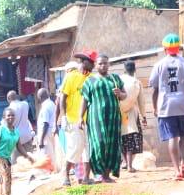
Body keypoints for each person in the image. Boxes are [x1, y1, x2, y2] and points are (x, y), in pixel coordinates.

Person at [149, 34, 184, 181]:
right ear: (179, 48)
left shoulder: (159, 65)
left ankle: (177, 171)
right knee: (183, 136)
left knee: (172, 137)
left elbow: (154, 89)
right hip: (183, 104)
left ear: (165, 49)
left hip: (166, 105)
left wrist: (154, 107)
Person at [80, 54, 127, 183]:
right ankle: (98, 173)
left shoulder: (115, 78)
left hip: (113, 118)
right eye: (100, 63)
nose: (103, 65)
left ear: (109, 64)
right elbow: (84, 100)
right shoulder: (90, 81)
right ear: (96, 65)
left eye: (105, 63)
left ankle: (107, 175)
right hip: (96, 118)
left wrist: (120, 94)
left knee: (112, 144)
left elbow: (124, 96)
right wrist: (80, 117)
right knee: (98, 143)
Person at [56, 50, 96, 186]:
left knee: (89, 149)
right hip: (72, 119)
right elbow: (62, 97)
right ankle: (65, 176)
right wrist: (63, 115)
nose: (94, 66)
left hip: (88, 120)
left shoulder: (91, 78)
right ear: (85, 62)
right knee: (74, 148)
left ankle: (86, 178)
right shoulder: (71, 76)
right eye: (92, 63)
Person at [0, 108, 30, 195]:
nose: (10, 117)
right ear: (4, 117)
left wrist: (28, 156)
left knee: (7, 178)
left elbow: (19, 146)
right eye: (8, 115)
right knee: (5, 176)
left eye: (12, 115)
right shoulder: (0, 130)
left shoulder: (16, 131)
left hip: (7, 158)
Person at [119, 60, 147, 173]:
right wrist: (143, 116)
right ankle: (129, 166)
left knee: (123, 139)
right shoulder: (136, 82)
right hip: (131, 114)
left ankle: (125, 163)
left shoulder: (119, 80)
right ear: (135, 70)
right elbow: (141, 102)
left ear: (124, 69)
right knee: (131, 138)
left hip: (119, 114)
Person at [35, 89, 57, 169]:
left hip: (46, 134)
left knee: (46, 154)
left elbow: (45, 124)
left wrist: (41, 139)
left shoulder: (45, 107)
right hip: (51, 132)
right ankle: (53, 169)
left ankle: (49, 171)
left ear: (40, 97)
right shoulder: (51, 104)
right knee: (52, 152)